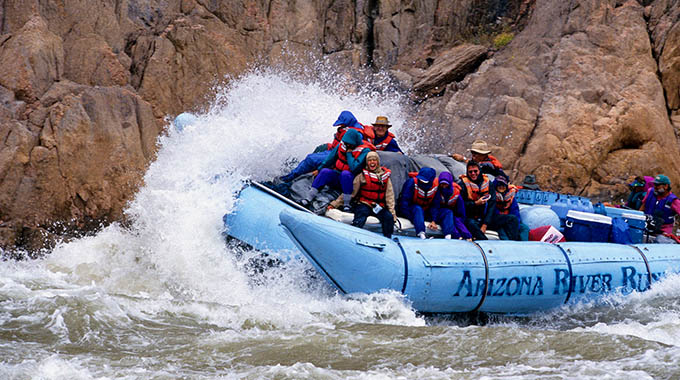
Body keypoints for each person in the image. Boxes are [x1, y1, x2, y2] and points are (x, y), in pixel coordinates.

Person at [301, 129, 374, 210]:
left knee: (345, 174)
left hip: (351, 180)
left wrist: (349, 154)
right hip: (337, 176)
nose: (346, 145)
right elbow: (329, 159)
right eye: (345, 143)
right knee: (325, 171)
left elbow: (354, 168)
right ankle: (309, 198)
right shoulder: (342, 145)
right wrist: (319, 169)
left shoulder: (364, 151)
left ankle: (346, 204)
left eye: (349, 144)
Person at [330, 152, 397, 238]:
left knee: (388, 217)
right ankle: (354, 236)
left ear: (378, 162)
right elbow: (351, 193)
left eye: (374, 160)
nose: (372, 162)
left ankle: (387, 238)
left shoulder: (385, 177)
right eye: (369, 160)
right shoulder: (361, 176)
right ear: (367, 163)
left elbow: (389, 197)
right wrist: (335, 204)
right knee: (361, 215)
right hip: (364, 204)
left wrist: (392, 214)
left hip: (378, 206)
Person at [398, 167, 456, 239]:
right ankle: (421, 234)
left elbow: (435, 206)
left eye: (424, 181)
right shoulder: (411, 183)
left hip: (426, 212)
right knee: (418, 208)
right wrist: (414, 219)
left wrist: (433, 220)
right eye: (420, 180)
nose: (421, 182)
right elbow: (404, 203)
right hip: (413, 211)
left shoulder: (435, 187)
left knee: (447, 212)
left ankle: (448, 236)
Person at [641, 174, 680, 243]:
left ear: (666, 186)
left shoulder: (674, 201)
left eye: (657, 185)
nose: (655, 187)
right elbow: (642, 207)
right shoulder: (650, 192)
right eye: (654, 185)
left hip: (663, 232)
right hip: (646, 226)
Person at [458, 161, 492, 240]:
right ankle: (485, 243)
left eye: (475, 171)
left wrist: (485, 224)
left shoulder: (488, 184)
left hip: (484, 219)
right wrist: (476, 203)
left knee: (511, 219)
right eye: (470, 172)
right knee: (471, 223)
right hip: (469, 218)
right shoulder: (462, 185)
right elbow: (461, 205)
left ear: (479, 171)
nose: (473, 173)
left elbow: (492, 205)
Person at [437, 171, 472, 240]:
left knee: (456, 219)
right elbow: (434, 207)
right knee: (448, 214)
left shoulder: (456, 195)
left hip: (452, 215)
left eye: (445, 184)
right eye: (442, 184)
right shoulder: (437, 192)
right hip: (440, 214)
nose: (443, 186)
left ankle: (468, 236)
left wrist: (461, 220)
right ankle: (455, 235)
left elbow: (461, 211)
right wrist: (434, 220)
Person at [487, 174, 522, 240]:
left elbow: (515, 212)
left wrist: (517, 226)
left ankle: (524, 244)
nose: (501, 187)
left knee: (524, 228)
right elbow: (492, 212)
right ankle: (511, 243)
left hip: (509, 221)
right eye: (499, 185)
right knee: (502, 230)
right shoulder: (492, 196)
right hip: (495, 221)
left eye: (503, 185)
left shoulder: (510, 197)